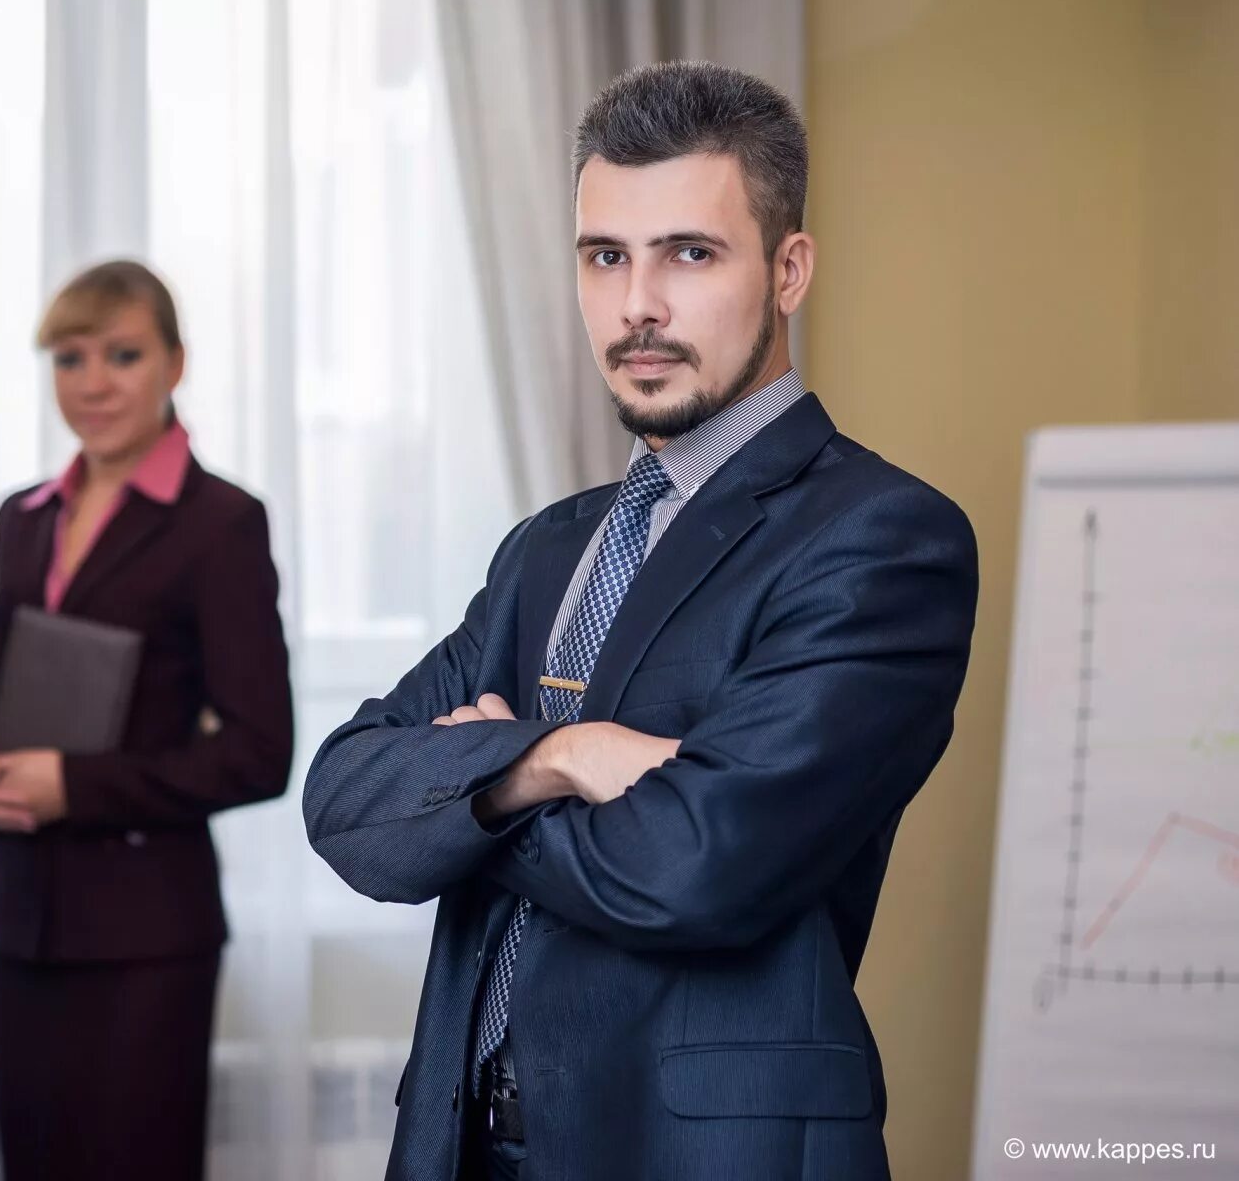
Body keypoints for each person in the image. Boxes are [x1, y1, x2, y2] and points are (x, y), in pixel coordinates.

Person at [303, 62, 979, 1180]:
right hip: (464, 1148)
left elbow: (697, 865)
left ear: (790, 268)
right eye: (606, 256)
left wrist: (467, 789)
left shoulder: (883, 539)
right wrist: (557, 756)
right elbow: (345, 801)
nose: (638, 306)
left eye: (691, 254)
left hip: (699, 1154)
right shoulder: (546, 549)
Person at [0, 260, 295, 1180]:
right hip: (22, 916)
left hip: (147, 931)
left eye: (122, 354)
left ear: (174, 364)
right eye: (69, 358)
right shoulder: (19, 521)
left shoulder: (219, 524)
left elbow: (261, 755)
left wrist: (73, 786)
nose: (91, 382)